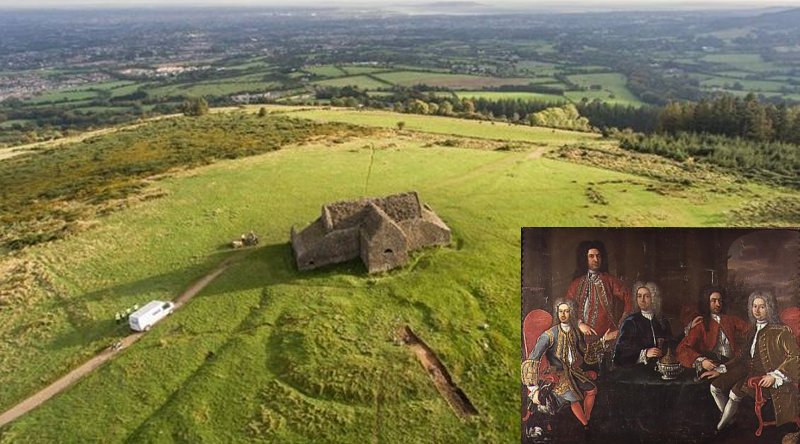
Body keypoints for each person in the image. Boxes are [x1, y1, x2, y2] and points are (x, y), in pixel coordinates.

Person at [701, 291, 799, 431]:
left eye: (762, 307)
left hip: (763, 372)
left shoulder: (780, 331)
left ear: (769, 308)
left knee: (734, 395)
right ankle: (730, 419)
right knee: (714, 387)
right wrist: (721, 369)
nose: (757, 311)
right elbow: (742, 355)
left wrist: (775, 375)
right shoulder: (752, 329)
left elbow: (796, 357)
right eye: (754, 306)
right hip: (746, 368)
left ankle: (719, 428)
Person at [522, 299, 613, 430]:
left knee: (592, 390)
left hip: (573, 372)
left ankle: (587, 418)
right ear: (557, 313)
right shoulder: (549, 335)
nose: (563, 314)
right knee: (573, 397)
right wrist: (533, 389)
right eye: (560, 311)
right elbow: (532, 359)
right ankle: (586, 425)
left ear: (571, 313)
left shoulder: (575, 332)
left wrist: (603, 340)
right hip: (557, 374)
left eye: (566, 311)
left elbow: (585, 351)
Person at [565, 241, 632, 342]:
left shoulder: (609, 280)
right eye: (591, 256)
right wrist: (579, 324)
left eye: (598, 256)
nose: (596, 259)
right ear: (585, 259)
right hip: (579, 338)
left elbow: (630, 298)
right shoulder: (576, 283)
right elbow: (566, 307)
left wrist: (621, 327)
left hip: (605, 338)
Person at [676, 286, 749, 379]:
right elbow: (682, 349)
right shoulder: (701, 324)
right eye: (713, 301)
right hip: (712, 366)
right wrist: (702, 362)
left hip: (731, 364)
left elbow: (749, 330)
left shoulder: (730, 319)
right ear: (707, 302)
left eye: (720, 300)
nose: (718, 304)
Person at [614, 281, 674, 368]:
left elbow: (672, 344)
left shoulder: (662, 321)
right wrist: (645, 353)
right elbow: (620, 355)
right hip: (638, 371)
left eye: (646, 296)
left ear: (653, 298)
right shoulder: (630, 322)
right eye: (639, 296)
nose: (642, 300)